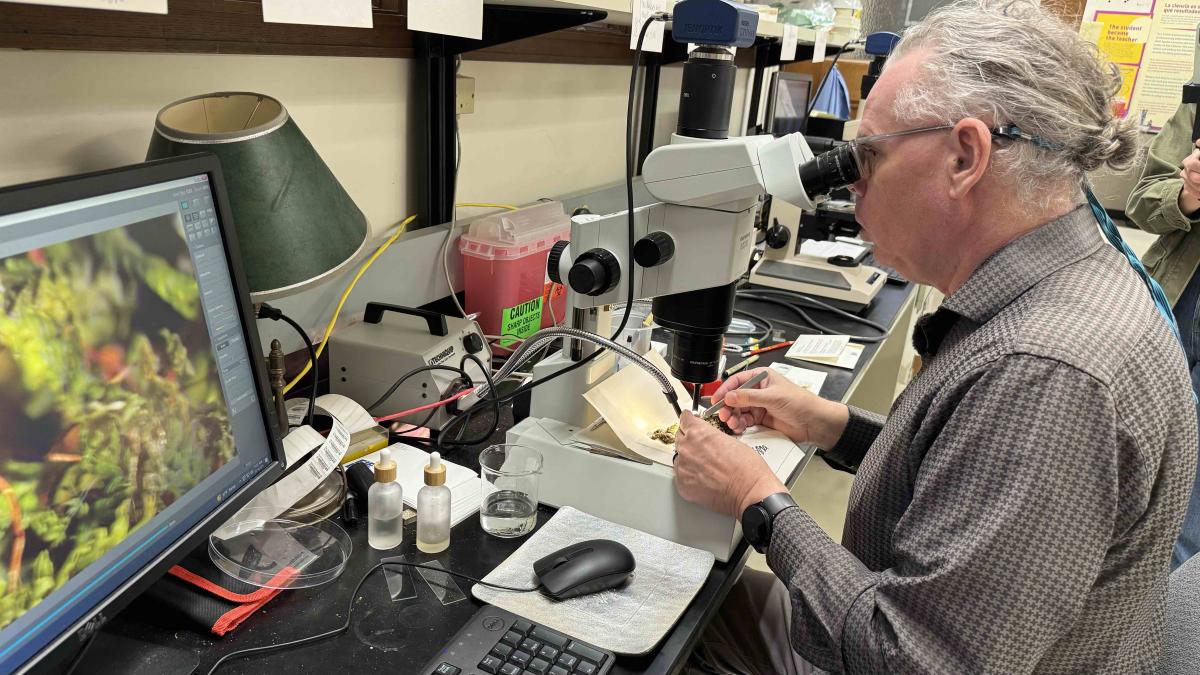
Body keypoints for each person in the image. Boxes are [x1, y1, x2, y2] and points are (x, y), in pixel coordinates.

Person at [672, 1, 1197, 672]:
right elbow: (966, 474)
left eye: (868, 155)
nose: (850, 188)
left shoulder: (1045, 371)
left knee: (672, 619)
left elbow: (914, 658)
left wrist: (758, 501)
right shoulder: (1076, 279)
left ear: (965, 156)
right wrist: (831, 424)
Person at [1125, 101, 1200, 570]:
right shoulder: (1197, 107)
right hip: (1177, 303)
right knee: (1137, 465)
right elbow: (1142, 200)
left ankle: (1162, 628)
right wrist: (1189, 193)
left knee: (1190, 511)